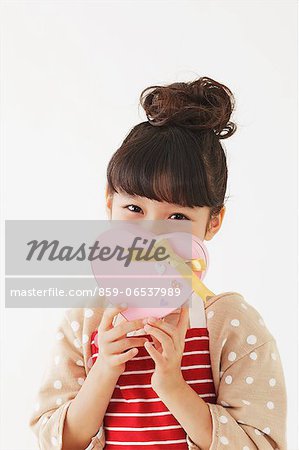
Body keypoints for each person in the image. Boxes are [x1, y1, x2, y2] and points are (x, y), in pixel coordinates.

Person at [29, 76, 288, 450]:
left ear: (213, 222)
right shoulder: (85, 320)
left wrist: (172, 384)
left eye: (178, 217)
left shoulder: (231, 323)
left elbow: (260, 442)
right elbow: (57, 439)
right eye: (134, 208)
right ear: (109, 204)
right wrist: (104, 369)